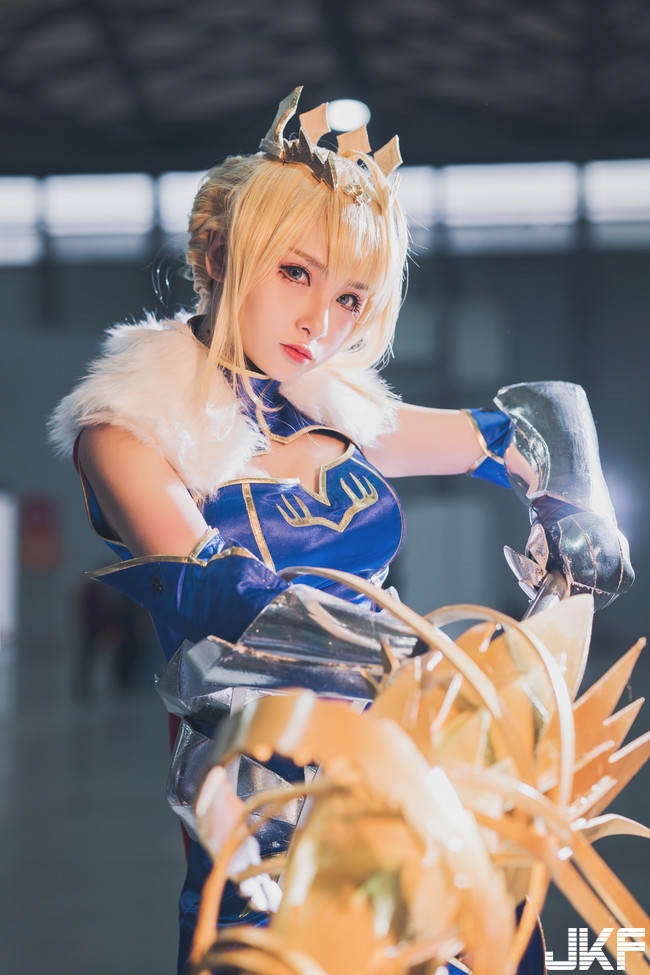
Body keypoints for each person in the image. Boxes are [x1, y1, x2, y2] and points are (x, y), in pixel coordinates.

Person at [49, 87, 633, 971]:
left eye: (352, 296)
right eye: (296, 273)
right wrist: (430, 667)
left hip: (412, 767)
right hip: (260, 801)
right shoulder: (129, 431)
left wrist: (578, 523)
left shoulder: (337, 415)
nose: (321, 321)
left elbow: (537, 425)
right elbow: (227, 596)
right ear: (220, 254)